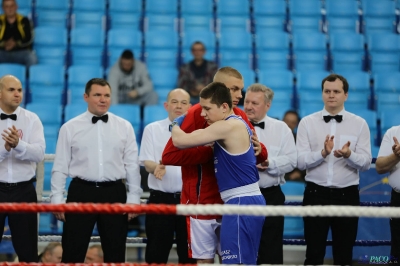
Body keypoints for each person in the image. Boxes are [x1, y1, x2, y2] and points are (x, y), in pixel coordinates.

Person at [162, 66, 268, 263]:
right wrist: (209, 151)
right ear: (219, 89)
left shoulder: (231, 120)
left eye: (240, 89)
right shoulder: (201, 113)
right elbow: (169, 155)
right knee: (235, 261)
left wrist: (174, 124)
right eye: (234, 89)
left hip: (237, 202)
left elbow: (260, 153)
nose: (239, 95)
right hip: (207, 203)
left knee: (237, 262)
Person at [50, 78, 143, 263]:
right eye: (97, 95)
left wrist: (134, 198)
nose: (103, 99)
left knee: (115, 253)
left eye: (107, 95)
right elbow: (60, 166)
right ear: (86, 97)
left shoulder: (124, 126)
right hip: (80, 191)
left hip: (114, 192)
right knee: (72, 251)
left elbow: (132, 165)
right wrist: (57, 199)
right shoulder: (70, 127)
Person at [296, 73, 371, 265]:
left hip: (347, 195)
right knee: (313, 255)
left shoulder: (360, 124)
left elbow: (365, 163)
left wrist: (349, 155)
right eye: (327, 91)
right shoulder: (307, 122)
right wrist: (322, 153)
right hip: (315, 193)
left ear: (345, 95)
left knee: (344, 255)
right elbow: (300, 162)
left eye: (336, 91)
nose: (331, 95)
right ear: (322, 94)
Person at [139, 88, 195, 264]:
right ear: (166, 105)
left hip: (189, 200)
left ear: (190, 107)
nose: (179, 106)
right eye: (175, 101)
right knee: (156, 254)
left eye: (183, 102)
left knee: (189, 256)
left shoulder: (199, 132)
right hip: (160, 200)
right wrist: (156, 167)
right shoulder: (152, 129)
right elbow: (146, 162)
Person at [244, 84, 297, 265]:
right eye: (247, 101)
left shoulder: (282, 129)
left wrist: (269, 163)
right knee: (242, 249)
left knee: (271, 251)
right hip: (240, 195)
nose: (249, 106)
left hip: (270, 194)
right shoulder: (231, 125)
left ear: (267, 105)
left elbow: (292, 161)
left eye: (255, 103)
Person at [0, 75, 44, 262]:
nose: (17, 94)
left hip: (24, 190)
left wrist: (18, 144)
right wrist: (5, 149)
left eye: (19, 90)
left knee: (28, 253)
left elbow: (39, 154)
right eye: (11, 90)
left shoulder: (32, 119)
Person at [376, 126, 400, 262]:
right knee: (397, 250)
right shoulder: (393, 132)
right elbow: (380, 167)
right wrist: (396, 156)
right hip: (398, 199)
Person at [0, 0, 36, 67]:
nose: (10, 9)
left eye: (12, 6)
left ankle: (27, 77)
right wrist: (4, 44)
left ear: (16, 7)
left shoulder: (25, 20)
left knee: (31, 58)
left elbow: (30, 38)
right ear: (3, 8)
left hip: (20, 53)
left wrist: (16, 43)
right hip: (2, 52)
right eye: (7, 6)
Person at [282, 110, 305, 182]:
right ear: (282, 121)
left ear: (296, 125)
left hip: (293, 177)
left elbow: (305, 160)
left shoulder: (300, 141)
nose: (289, 124)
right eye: (287, 121)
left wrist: (299, 173)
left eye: (292, 122)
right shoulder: (272, 137)